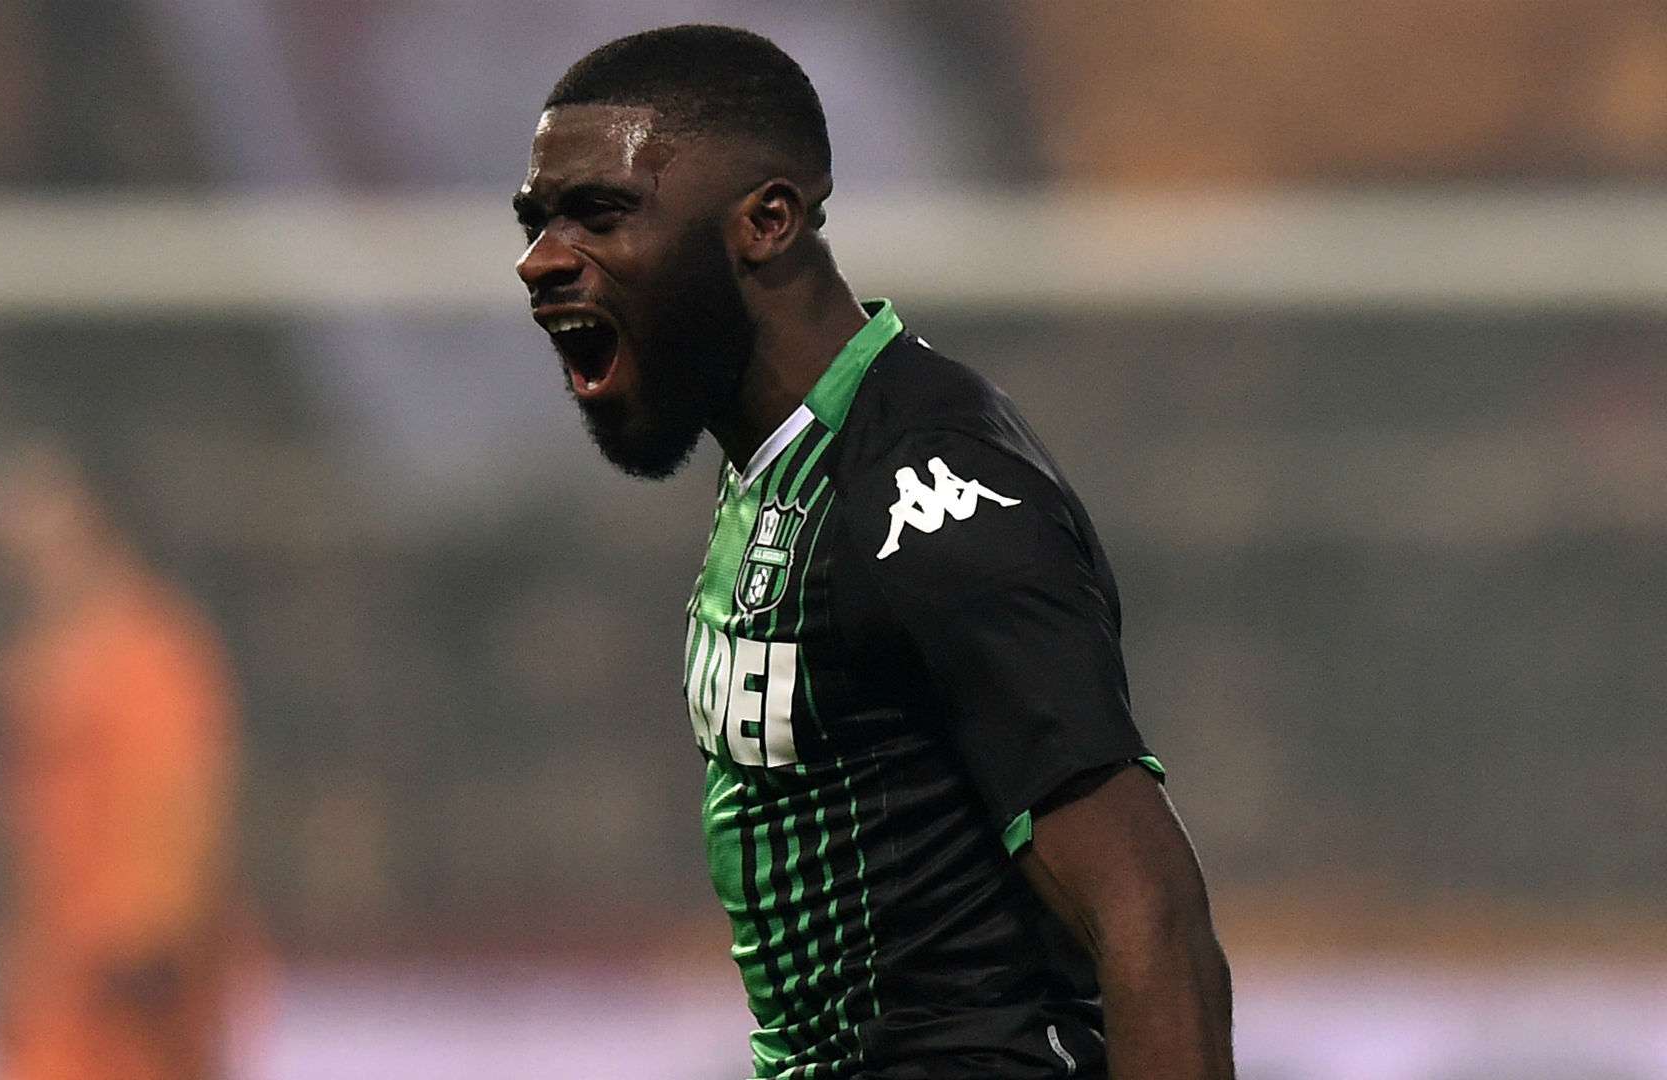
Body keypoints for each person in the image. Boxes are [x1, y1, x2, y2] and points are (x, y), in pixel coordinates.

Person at [511, 25, 1233, 1080]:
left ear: (766, 222)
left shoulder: (926, 492)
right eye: (536, 220)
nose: (540, 258)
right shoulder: (788, 458)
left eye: (600, 212)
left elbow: (1148, 911)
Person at [0, 447, 249, 1080]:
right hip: (52, 981)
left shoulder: (150, 653)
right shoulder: (38, 662)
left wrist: (147, 933)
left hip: (128, 987)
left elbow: (179, 802)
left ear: (94, 522)